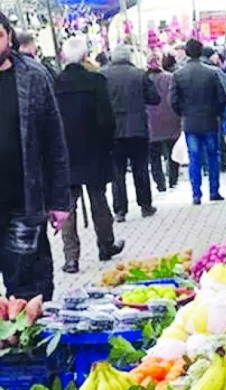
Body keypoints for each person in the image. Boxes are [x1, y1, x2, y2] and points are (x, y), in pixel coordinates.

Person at [0, 11, 71, 300]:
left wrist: (59, 200)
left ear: (8, 36)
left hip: (24, 203)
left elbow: (54, 142)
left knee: (29, 287)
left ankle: (32, 343)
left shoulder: (33, 76)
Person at [54, 37, 124, 274]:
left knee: (68, 207)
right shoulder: (96, 81)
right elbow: (107, 119)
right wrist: (107, 146)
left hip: (65, 154)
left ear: (64, 57)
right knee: (99, 201)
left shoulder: (56, 83)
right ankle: (106, 245)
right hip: (94, 151)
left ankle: (71, 258)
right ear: (85, 56)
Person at [101, 45, 160, 223]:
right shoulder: (140, 74)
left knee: (117, 172)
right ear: (129, 57)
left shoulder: (103, 75)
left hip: (113, 130)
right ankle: (146, 206)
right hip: (138, 129)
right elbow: (154, 98)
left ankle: (120, 210)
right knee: (140, 168)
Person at [170, 39, 226, 206]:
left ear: (187, 53)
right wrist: (217, 112)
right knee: (213, 156)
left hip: (190, 122)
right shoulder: (212, 73)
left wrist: (183, 114)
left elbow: (173, 100)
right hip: (211, 120)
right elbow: (223, 96)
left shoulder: (179, 75)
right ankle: (214, 191)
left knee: (194, 157)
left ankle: (196, 194)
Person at [147, 54, 181, 191]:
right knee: (173, 152)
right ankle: (173, 180)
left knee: (154, 156)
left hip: (151, 123)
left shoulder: (144, 79)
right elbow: (175, 97)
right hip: (171, 120)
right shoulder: (170, 77)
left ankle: (160, 184)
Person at [202, 46, 226, 173]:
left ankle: (206, 166)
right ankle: (222, 163)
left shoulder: (185, 71)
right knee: (218, 139)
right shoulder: (216, 71)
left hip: (195, 115)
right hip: (214, 113)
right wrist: (222, 108)